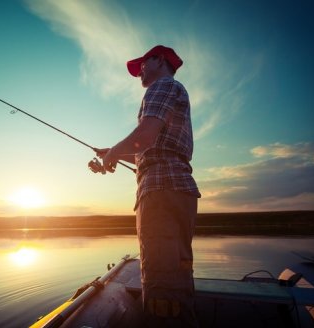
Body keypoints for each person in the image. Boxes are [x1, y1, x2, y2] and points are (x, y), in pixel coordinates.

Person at [95, 45, 201, 327]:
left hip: (161, 191)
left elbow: (145, 135)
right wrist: (112, 153)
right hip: (173, 187)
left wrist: (113, 153)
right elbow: (151, 146)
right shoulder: (174, 90)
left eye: (144, 63)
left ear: (160, 60)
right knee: (176, 271)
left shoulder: (162, 86)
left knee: (161, 282)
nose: (140, 70)